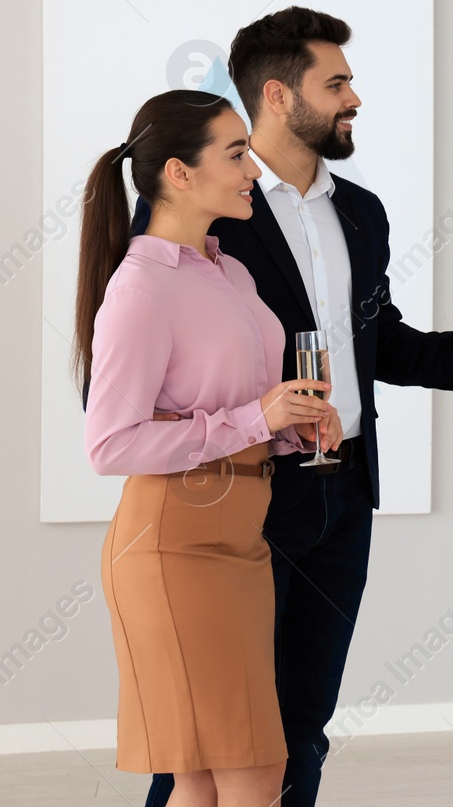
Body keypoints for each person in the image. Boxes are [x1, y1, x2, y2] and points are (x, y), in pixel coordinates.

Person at [133, 6, 453, 807]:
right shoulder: (210, 213)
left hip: (345, 493)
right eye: (336, 82)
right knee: (211, 739)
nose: (355, 98)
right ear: (278, 95)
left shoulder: (361, 211)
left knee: (302, 721)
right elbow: (148, 360)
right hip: (245, 492)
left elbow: (373, 339)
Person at [76, 91, 344, 807]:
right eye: (235, 153)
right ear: (180, 173)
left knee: (203, 773)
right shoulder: (140, 288)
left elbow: (242, 412)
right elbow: (109, 443)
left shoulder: (232, 272)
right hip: (174, 547)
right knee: (254, 768)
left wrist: (293, 425)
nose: (253, 167)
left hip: (240, 543)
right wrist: (256, 418)